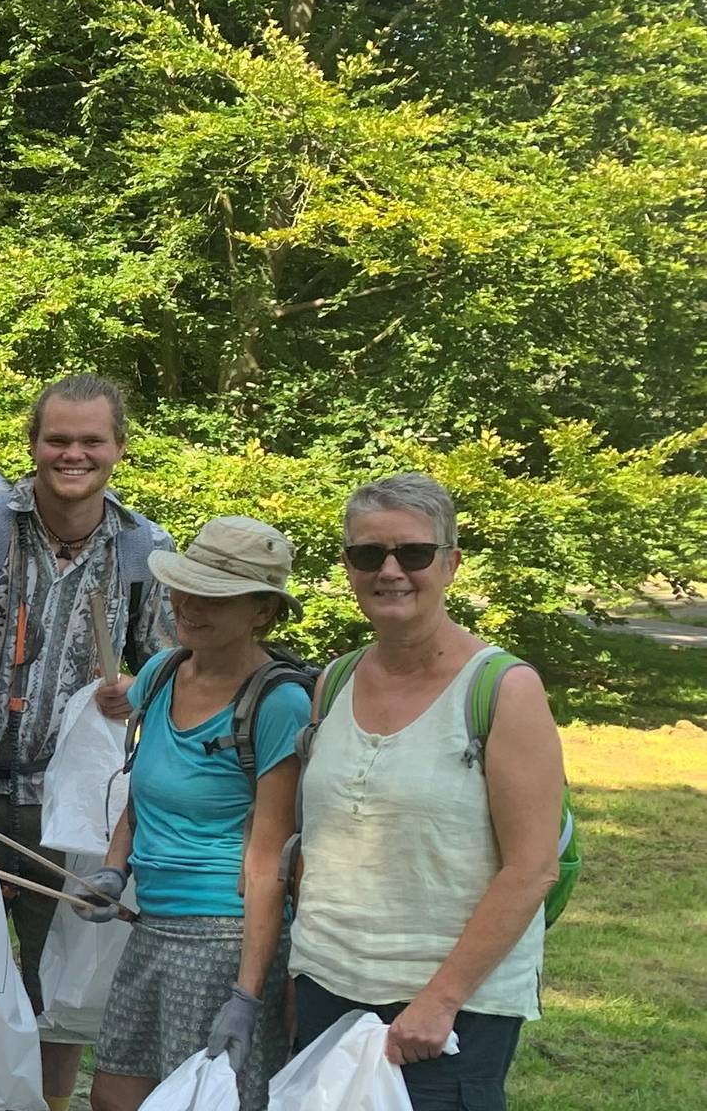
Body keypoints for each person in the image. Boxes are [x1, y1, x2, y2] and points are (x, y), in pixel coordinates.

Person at [0, 374, 175, 1111]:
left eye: (92, 440)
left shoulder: (144, 548)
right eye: (58, 439)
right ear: (31, 444)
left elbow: (176, 668)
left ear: (118, 447)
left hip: (75, 808)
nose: (73, 454)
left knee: (56, 992)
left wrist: (142, 690)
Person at [289, 474, 565, 1111]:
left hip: (447, 1010)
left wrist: (441, 1000)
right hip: (327, 985)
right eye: (367, 554)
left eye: (412, 553)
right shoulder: (332, 681)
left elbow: (533, 866)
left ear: (450, 563)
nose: (390, 571)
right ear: (348, 566)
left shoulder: (502, 688)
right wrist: (296, 973)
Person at [79, 517, 314, 1111]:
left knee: (197, 1101)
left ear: (262, 611)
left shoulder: (279, 701)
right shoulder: (160, 673)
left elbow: (270, 860)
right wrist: (113, 870)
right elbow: (141, 790)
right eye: (186, 587)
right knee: (113, 1095)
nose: (188, 604)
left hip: (224, 935)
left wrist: (248, 994)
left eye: (215, 596)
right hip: (151, 924)